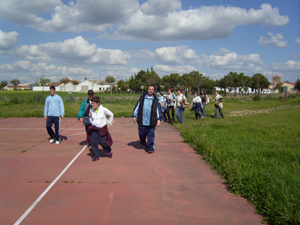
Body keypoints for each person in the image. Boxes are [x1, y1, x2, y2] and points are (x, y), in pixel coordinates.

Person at [132, 85, 162, 154]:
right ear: (147, 90)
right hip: (142, 121)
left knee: (151, 135)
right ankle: (143, 142)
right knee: (141, 134)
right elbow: (137, 107)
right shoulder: (142, 98)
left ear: (153, 91)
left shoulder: (155, 100)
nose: (150, 90)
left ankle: (150, 147)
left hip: (151, 121)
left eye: (152, 89)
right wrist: (134, 116)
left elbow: (158, 110)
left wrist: (158, 119)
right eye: (149, 89)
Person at [86, 96, 114, 161]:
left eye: (93, 103)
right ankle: (96, 156)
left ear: (98, 103)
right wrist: (90, 122)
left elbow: (111, 114)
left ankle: (109, 150)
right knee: (93, 142)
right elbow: (90, 117)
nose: (92, 105)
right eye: (91, 103)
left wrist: (109, 122)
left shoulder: (103, 109)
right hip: (94, 128)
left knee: (103, 142)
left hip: (102, 129)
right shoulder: (91, 110)